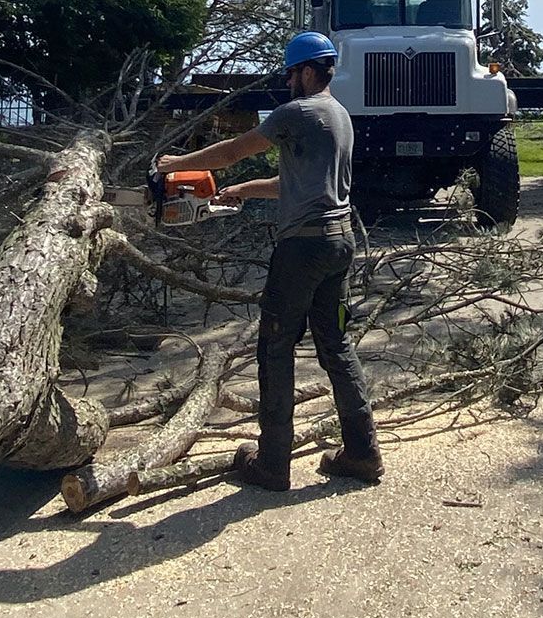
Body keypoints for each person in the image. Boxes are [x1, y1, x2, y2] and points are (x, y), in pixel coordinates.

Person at [153, 31, 382, 492]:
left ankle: (272, 463)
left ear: (309, 71)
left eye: (292, 73)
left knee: (275, 347)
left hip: (301, 248)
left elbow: (236, 149)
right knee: (335, 345)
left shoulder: (297, 112)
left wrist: (176, 163)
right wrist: (242, 189)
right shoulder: (339, 117)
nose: (288, 82)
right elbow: (291, 183)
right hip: (339, 242)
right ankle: (362, 452)